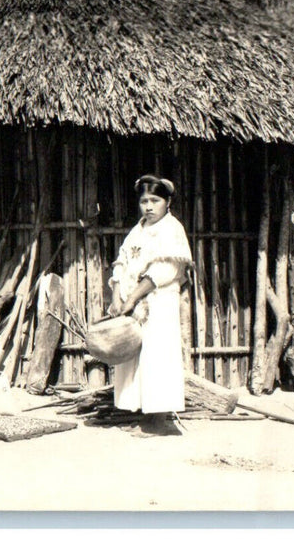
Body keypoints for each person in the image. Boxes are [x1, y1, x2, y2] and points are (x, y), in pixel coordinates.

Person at [107, 174, 194, 436]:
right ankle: (142, 412)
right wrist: (117, 294)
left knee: (157, 356)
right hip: (133, 304)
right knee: (135, 355)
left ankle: (160, 420)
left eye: (155, 200)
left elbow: (166, 269)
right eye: (144, 200)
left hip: (158, 302)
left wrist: (133, 297)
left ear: (167, 202)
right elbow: (122, 261)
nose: (148, 206)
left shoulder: (172, 229)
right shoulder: (139, 229)